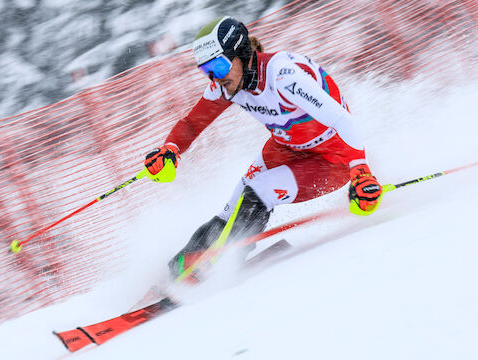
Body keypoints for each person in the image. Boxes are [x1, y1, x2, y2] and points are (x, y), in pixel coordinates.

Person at [143, 16, 383, 280]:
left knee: (258, 192)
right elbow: (191, 124)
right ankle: (176, 273)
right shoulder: (228, 84)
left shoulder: (283, 76)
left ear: (242, 54)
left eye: (219, 66)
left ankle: (218, 267)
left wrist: (360, 170)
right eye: (206, 70)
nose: (215, 77)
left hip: (331, 159)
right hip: (287, 147)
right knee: (233, 206)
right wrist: (170, 149)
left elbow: (342, 120)